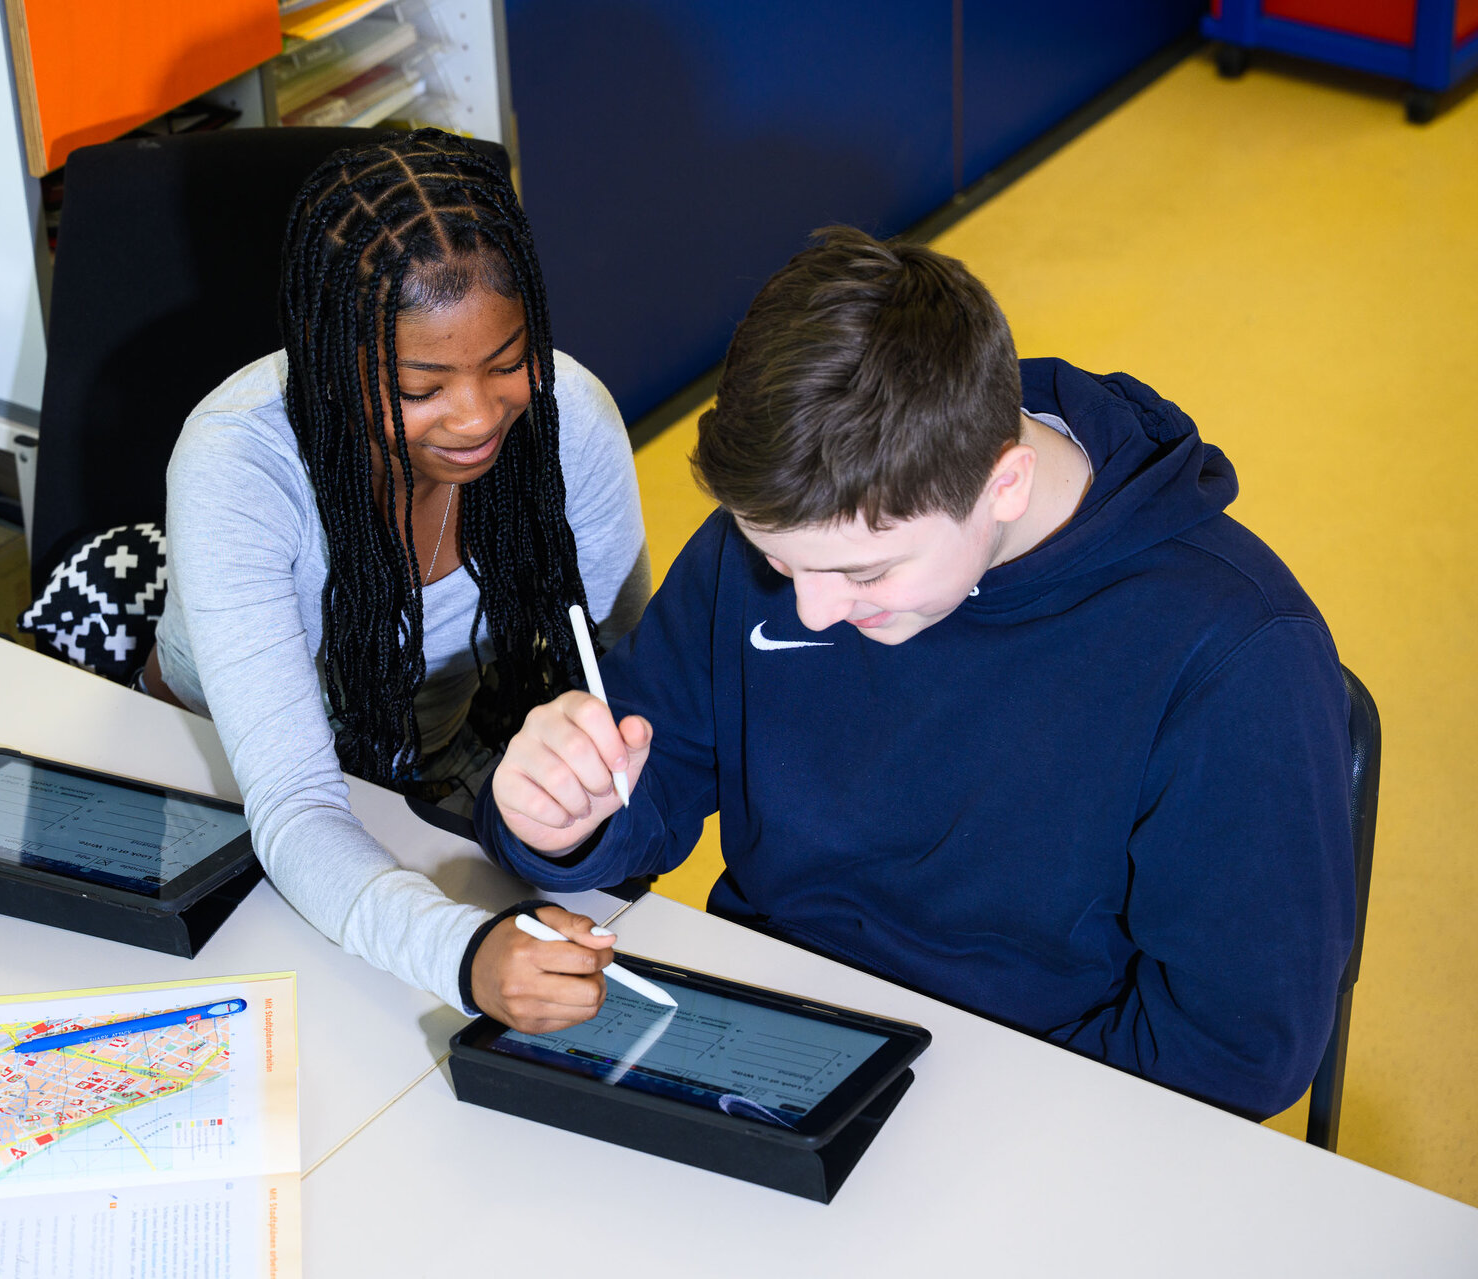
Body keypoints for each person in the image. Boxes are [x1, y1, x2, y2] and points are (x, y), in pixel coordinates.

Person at [475, 225, 1355, 1117]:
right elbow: (646, 782)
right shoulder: (807, 518)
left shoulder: (1237, 657)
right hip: (773, 1039)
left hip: (1038, 1097)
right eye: (780, 563)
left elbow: (1236, 1052)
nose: (811, 608)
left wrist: (954, 1104)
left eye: (865, 573)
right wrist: (562, 820)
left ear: (1003, 485)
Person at [145, 131, 649, 1027]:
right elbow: (295, 803)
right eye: (422, 386)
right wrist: (462, 956)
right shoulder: (238, 467)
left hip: (445, 752)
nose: (478, 415)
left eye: (507, 363)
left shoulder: (570, 417)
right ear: (331, 359)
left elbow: (631, 681)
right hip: (222, 765)